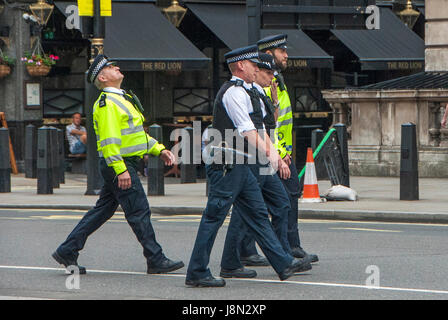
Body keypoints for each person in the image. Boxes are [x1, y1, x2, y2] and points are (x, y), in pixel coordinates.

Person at [185, 45, 312, 288]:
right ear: (241, 66)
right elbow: (247, 131)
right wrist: (272, 155)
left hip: (241, 164)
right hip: (226, 164)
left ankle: (283, 263)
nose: (258, 68)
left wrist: (270, 152)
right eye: (254, 65)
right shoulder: (233, 92)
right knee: (214, 217)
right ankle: (197, 271)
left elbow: (261, 128)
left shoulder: (247, 92)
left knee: (257, 215)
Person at [52, 55, 184, 275]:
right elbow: (109, 140)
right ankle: (155, 258)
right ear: (102, 77)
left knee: (102, 211)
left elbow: (135, 136)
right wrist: (121, 169)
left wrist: (158, 149)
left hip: (121, 163)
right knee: (139, 210)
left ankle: (67, 250)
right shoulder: (107, 104)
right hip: (120, 165)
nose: (117, 67)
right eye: (111, 67)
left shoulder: (121, 99)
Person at [219, 53, 294, 278]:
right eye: (267, 72)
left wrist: (275, 102)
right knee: (246, 211)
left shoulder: (258, 92)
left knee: (280, 204)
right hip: (249, 157)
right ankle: (235, 261)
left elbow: (269, 124)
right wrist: (274, 156)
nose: (272, 77)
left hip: (262, 155)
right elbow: (251, 129)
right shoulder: (238, 92)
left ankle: (282, 256)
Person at [258, 34, 319, 263]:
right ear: (269, 54)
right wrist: (280, 154)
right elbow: (265, 126)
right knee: (284, 198)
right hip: (271, 152)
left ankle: (281, 248)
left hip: (279, 151)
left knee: (268, 202)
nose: (286, 55)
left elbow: (280, 123)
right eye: (282, 51)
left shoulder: (276, 81)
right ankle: (288, 248)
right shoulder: (264, 84)